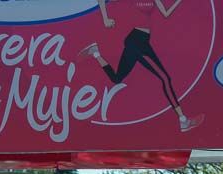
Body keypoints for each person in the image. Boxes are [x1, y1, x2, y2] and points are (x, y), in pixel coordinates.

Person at [79, 0, 203, 132]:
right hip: (136, 41)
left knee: (116, 78)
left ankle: (95, 53)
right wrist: (105, 18)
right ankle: (183, 120)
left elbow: (166, 13)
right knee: (165, 79)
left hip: (142, 41)